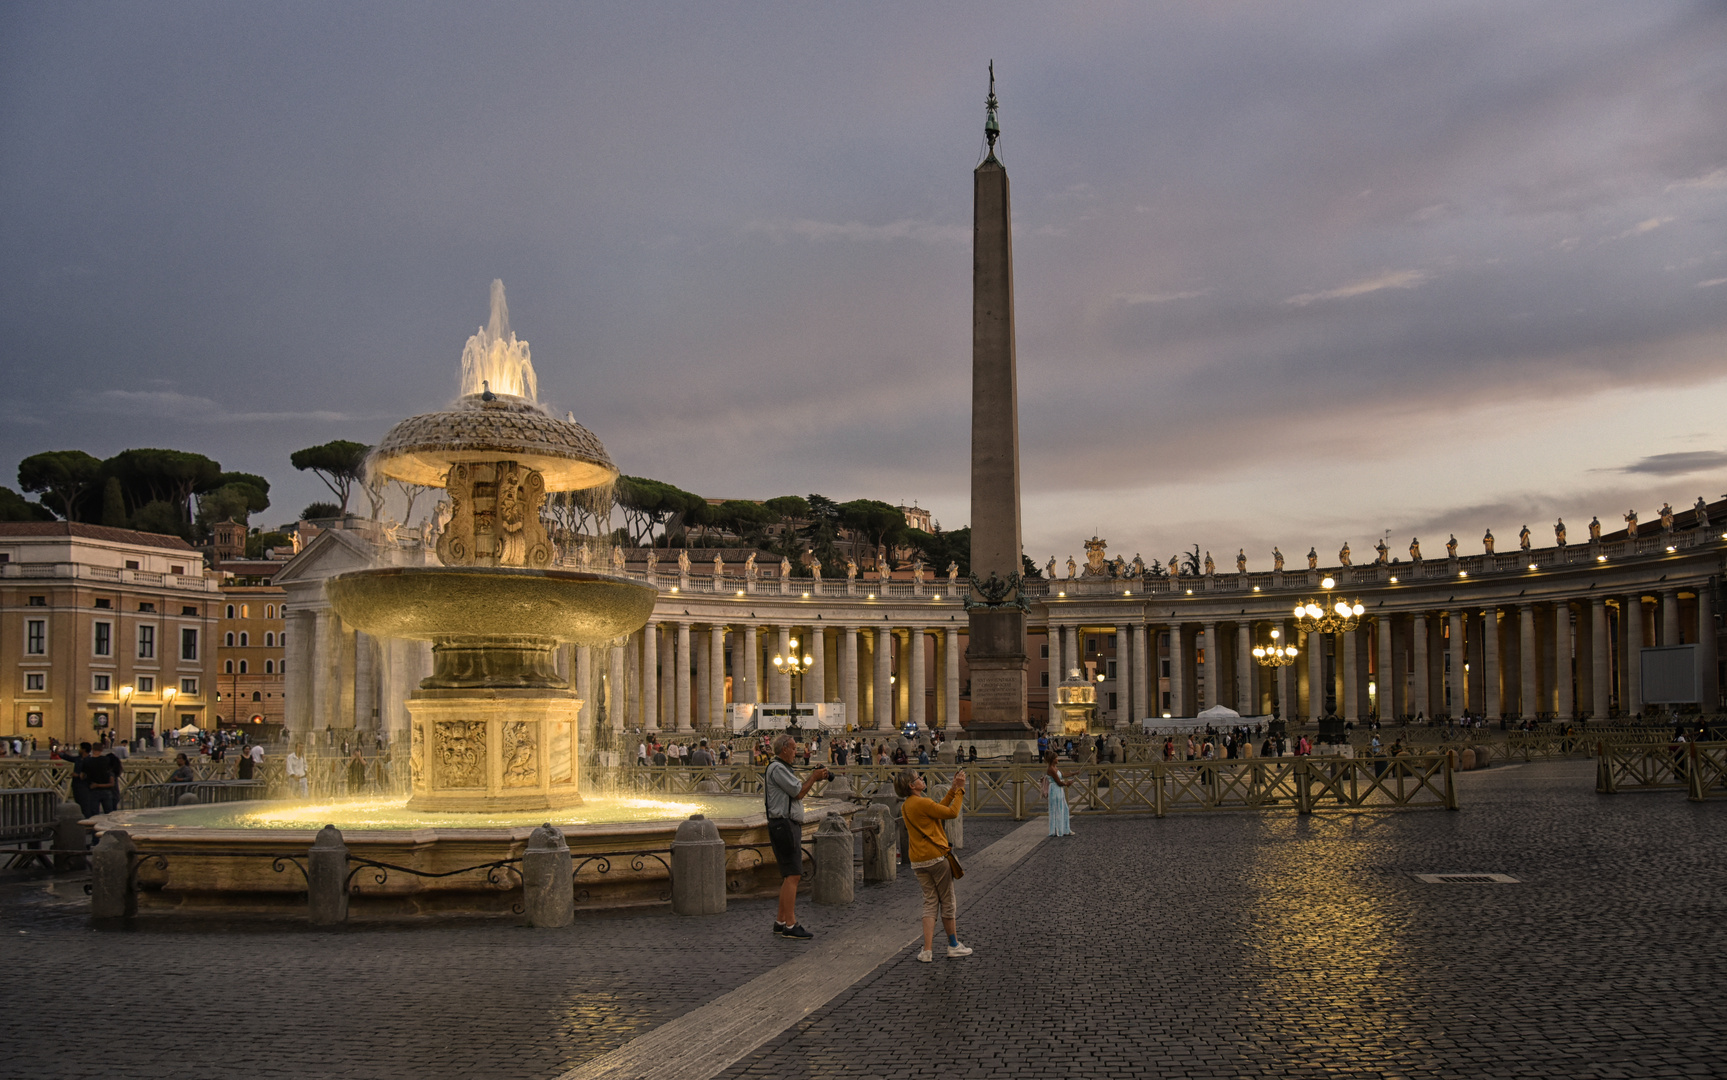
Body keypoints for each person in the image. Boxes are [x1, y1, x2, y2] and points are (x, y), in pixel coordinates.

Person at [895, 768, 971, 962]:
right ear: (912, 786)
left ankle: (927, 950)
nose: (922, 779)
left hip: (918, 861)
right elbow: (951, 813)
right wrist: (961, 790)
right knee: (947, 901)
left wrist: (953, 789)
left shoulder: (908, 805)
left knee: (929, 902)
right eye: (918, 778)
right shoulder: (922, 802)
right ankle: (953, 945)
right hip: (937, 857)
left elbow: (937, 811)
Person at [764, 732, 830, 940]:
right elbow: (798, 793)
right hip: (784, 825)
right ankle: (791, 925)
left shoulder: (781, 768)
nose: (796, 752)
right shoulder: (778, 769)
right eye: (793, 748)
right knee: (793, 875)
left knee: (788, 875)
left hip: (783, 824)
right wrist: (814, 778)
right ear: (784, 749)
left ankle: (781, 921)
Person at [1044, 750, 1073, 837]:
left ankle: (1064, 829)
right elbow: (1058, 782)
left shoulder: (1055, 768)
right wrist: (1067, 784)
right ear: (1053, 759)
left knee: (1064, 808)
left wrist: (1074, 773)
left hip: (1059, 790)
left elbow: (1062, 775)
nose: (1058, 759)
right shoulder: (1051, 769)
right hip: (1055, 790)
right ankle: (1058, 830)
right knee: (1057, 809)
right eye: (1056, 758)